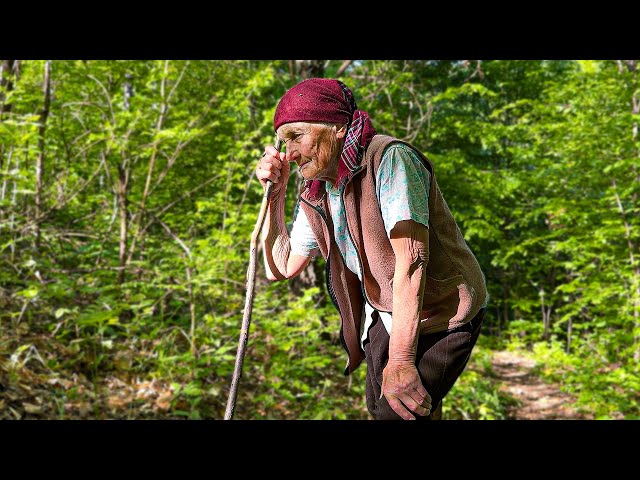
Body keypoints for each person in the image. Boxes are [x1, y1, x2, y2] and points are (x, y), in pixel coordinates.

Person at [255, 78, 487, 420]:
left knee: (398, 411)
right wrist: (275, 196)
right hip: (390, 308)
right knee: (392, 408)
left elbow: (412, 261)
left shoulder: (390, 159)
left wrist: (402, 360)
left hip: (443, 308)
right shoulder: (317, 190)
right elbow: (281, 266)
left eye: (297, 137)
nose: (288, 153)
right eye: (283, 141)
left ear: (335, 128)